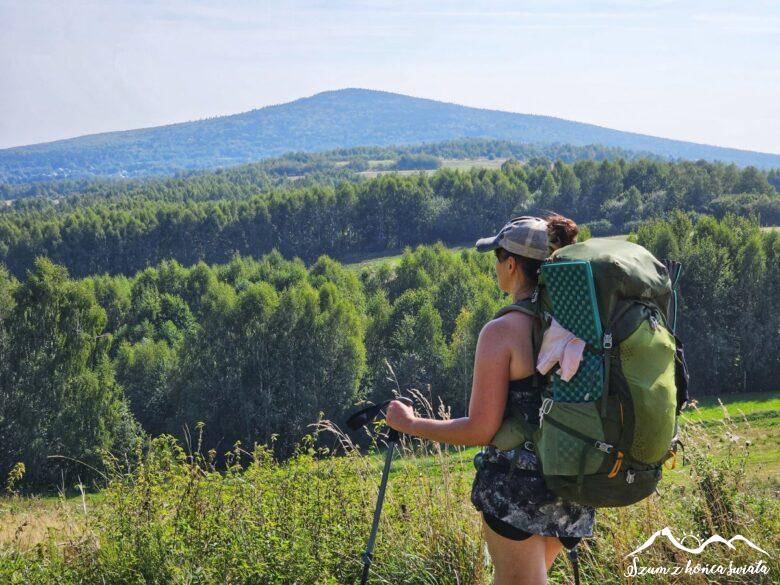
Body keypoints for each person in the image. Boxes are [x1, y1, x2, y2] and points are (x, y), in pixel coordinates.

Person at [386, 214, 594, 585]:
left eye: (498, 258)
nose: (496, 267)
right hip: (571, 482)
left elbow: (480, 428)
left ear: (511, 264)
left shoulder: (501, 333)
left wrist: (410, 423)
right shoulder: (576, 324)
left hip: (518, 490)